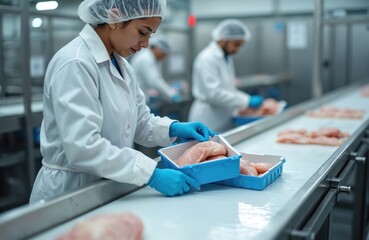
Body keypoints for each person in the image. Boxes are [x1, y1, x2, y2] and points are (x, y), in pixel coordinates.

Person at [29, 0, 215, 203]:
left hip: (109, 185)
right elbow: (82, 147)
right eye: (143, 32)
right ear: (114, 18)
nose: (146, 44)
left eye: (150, 35)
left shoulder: (122, 65)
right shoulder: (75, 62)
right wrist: (152, 174)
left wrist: (173, 128)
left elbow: (138, 122)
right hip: (70, 190)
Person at [188, 19, 264, 133]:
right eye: (236, 44)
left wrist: (246, 99)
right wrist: (246, 101)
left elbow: (228, 90)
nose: (237, 50)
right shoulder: (207, 58)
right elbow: (213, 94)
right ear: (223, 39)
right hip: (208, 117)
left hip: (223, 117)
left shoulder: (226, 58)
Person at [130, 35, 181, 103]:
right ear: (156, 48)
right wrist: (171, 94)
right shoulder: (146, 58)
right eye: (163, 54)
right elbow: (154, 80)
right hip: (136, 100)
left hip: (139, 97)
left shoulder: (150, 57)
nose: (163, 57)